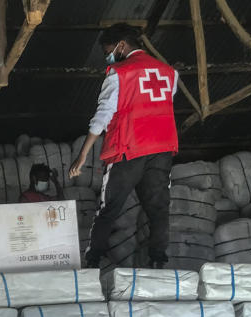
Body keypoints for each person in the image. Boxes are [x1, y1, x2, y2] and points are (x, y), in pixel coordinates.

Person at [69, 23, 178, 269]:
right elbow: (162, 105)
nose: (108, 57)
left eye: (109, 50)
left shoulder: (119, 73)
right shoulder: (169, 72)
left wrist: (83, 154)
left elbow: (103, 115)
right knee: (159, 209)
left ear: (121, 45)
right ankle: (158, 261)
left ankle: (93, 261)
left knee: (109, 209)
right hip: (161, 150)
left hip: (128, 149)